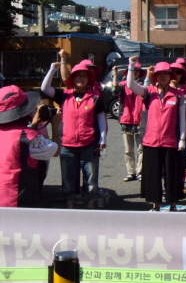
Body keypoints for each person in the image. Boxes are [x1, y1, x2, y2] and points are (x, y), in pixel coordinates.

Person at [41, 62, 108, 209]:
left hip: (89, 144)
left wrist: (103, 139)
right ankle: (69, 203)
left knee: (91, 177)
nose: (81, 79)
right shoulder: (64, 95)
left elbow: (101, 119)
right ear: (72, 79)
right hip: (67, 145)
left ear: (88, 79)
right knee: (68, 178)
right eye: (78, 76)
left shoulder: (95, 97)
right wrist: (53, 69)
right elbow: (44, 88)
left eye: (84, 76)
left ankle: (91, 202)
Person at [127, 58, 186, 212]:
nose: (162, 76)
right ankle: (155, 206)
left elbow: (182, 119)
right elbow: (131, 85)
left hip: (171, 142)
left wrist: (182, 139)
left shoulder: (178, 95)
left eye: (166, 74)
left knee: (172, 175)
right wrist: (131, 66)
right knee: (152, 175)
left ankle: (173, 205)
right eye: (159, 74)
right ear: (155, 76)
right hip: (151, 141)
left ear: (170, 76)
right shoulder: (149, 92)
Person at [0, 85, 58, 207]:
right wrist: (55, 124)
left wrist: (32, 124)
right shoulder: (29, 136)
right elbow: (54, 150)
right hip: (17, 201)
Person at [111, 63, 146, 182]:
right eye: (133, 70)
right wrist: (115, 74)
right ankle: (131, 172)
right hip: (126, 119)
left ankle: (140, 171)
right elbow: (114, 91)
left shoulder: (143, 85)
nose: (135, 72)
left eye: (137, 71)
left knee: (141, 149)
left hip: (141, 120)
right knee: (128, 149)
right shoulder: (123, 84)